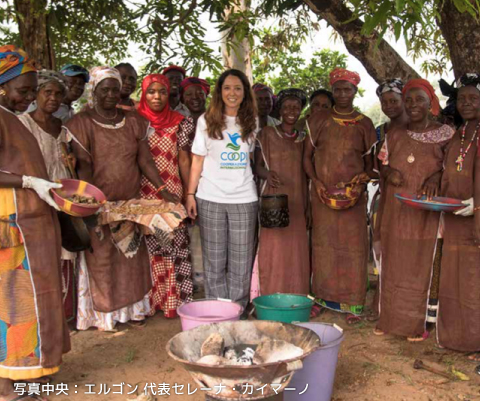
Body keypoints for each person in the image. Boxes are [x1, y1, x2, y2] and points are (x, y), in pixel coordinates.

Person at [66, 66, 179, 332]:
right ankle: (105, 317)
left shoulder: (134, 122)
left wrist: (163, 189)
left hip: (130, 203)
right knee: (103, 259)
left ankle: (133, 312)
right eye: (103, 89)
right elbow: (84, 165)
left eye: (114, 89)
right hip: (99, 202)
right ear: (93, 91)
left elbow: (144, 159)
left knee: (131, 260)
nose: (109, 94)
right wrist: (92, 204)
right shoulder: (81, 123)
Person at [0, 45, 70, 401]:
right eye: (23, 91)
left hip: (32, 222)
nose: (28, 98)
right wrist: (29, 182)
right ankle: (6, 383)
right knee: (14, 304)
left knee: (35, 297)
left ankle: (30, 370)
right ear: (2, 87)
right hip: (13, 225)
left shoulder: (10, 116)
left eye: (31, 90)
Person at [375, 79, 455, 341]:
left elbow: (454, 169)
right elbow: (381, 165)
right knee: (394, 261)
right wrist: (388, 172)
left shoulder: (446, 134)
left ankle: (418, 323)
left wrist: (436, 178)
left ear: (431, 102)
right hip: (396, 210)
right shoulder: (394, 134)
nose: (413, 105)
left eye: (419, 99)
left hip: (426, 214)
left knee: (421, 263)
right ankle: (389, 319)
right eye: (409, 100)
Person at [303, 68, 377, 323]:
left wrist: (360, 183)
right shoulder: (318, 120)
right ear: (333, 91)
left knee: (353, 248)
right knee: (323, 246)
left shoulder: (364, 123)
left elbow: (371, 165)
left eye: (348, 89)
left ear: (355, 91)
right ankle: (322, 299)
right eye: (338, 90)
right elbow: (306, 158)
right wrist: (316, 182)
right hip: (323, 196)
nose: (343, 94)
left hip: (352, 200)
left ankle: (353, 303)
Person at [186, 69, 258, 309]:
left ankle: (236, 308)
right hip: (210, 197)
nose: (232, 93)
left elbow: (254, 159)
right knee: (214, 259)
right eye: (227, 88)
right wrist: (190, 195)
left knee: (241, 258)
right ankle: (218, 308)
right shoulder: (206, 120)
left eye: (238, 88)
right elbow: (197, 160)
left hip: (244, 199)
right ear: (219, 92)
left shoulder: (252, 121)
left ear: (245, 93)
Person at [18, 70, 78, 323]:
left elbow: (66, 162)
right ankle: (36, 315)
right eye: (47, 92)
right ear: (36, 94)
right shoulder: (23, 123)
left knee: (65, 253)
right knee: (39, 256)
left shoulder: (61, 127)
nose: (53, 98)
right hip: (33, 197)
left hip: (62, 197)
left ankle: (62, 314)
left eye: (58, 94)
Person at [138, 74, 194, 318]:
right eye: (151, 92)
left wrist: (188, 192)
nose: (157, 96)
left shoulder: (182, 122)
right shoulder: (135, 121)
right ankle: (156, 302)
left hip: (172, 192)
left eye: (162, 91)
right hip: (146, 193)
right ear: (144, 94)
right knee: (153, 248)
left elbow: (183, 159)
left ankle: (178, 302)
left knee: (176, 245)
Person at [437, 73, 480, 359]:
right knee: (455, 281)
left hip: (475, 221)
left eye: (473, 98)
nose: (466, 103)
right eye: (461, 98)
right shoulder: (458, 134)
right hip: (455, 220)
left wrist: (477, 204)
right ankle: (457, 338)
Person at [254, 88, 310, 295]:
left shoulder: (304, 138)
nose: (291, 110)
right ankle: (270, 294)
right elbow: (256, 166)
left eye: (296, 107)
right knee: (273, 247)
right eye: (287, 106)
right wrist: (267, 174)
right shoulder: (266, 134)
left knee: (296, 249)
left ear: (301, 110)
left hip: (298, 198)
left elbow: (307, 173)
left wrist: (308, 206)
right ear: (279, 109)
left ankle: (296, 294)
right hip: (273, 200)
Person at [368, 78, 408, 322]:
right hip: (385, 197)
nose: (389, 105)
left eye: (394, 100)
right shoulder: (381, 131)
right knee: (383, 247)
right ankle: (382, 302)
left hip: (413, 200)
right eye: (385, 102)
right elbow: (377, 166)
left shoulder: (417, 127)